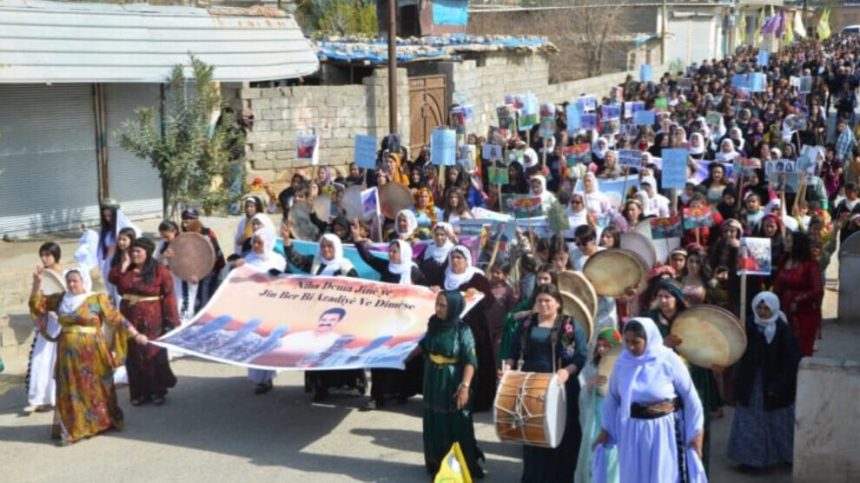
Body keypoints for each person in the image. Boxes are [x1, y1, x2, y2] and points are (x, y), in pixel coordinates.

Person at [595, 317, 706, 483]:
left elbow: (690, 398)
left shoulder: (668, 360)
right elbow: (612, 398)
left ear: (649, 339)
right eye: (627, 341)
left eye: (636, 342)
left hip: (663, 431)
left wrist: (696, 434)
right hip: (631, 431)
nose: (630, 347)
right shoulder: (623, 362)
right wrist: (606, 431)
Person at [29, 266, 127, 444]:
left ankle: (102, 421)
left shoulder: (97, 298)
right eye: (69, 281)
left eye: (75, 281)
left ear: (84, 281)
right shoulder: (61, 299)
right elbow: (37, 305)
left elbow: (117, 320)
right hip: (67, 353)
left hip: (94, 352)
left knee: (96, 386)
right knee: (71, 388)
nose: (72, 284)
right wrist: (37, 283)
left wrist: (131, 337)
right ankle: (74, 427)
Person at [503, 284, 588, 482]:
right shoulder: (526, 324)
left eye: (548, 301)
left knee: (560, 435)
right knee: (533, 435)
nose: (543, 304)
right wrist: (508, 367)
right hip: (531, 388)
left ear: (558, 303)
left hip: (561, 387)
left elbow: (581, 356)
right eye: (539, 300)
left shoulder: (569, 325)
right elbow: (512, 351)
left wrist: (567, 371)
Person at [282, 230, 367, 402]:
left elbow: (357, 293)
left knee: (340, 352)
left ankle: (350, 384)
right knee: (318, 352)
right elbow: (297, 260)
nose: (326, 250)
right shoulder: (316, 263)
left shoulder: (346, 267)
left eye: (329, 246)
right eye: (323, 246)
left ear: (337, 247)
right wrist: (286, 242)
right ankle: (321, 387)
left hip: (340, 320)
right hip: (318, 318)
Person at [352, 229, 427, 409]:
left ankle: (401, 393)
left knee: (403, 359)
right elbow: (369, 258)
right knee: (380, 358)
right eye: (390, 251)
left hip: (406, 323)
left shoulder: (414, 272)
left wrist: (432, 290)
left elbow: (425, 292)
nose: (391, 255)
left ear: (404, 253)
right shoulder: (386, 267)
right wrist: (358, 241)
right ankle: (377, 397)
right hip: (385, 322)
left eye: (395, 252)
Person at [727, 292, 800, 470]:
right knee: (750, 422)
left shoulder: (783, 332)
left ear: (774, 309)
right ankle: (750, 461)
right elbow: (737, 350)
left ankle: (785, 456)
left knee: (778, 422)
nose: (762, 312)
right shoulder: (748, 326)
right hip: (751, 384)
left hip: (774, 385)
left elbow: (791, 363)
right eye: (759, 307)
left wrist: (779, 386)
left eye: (766, 308)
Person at [418, 290, 484, 478]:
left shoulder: (463, 330)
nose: (438, 309)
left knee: (456, 423)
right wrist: (398, 357)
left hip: (452, 380)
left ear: (454, 307)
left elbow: (471, 360)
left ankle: (459, 466)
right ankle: (437, 463)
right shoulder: (433, 323)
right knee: (434, 420)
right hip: (433, 379)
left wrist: (464, 387)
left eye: (443, 305)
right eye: (437, 304)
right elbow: (424, 345)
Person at [109, 238, 179, 406]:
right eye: (132, 251)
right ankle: (138, 393)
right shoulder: (126, 269)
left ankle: (157, 391)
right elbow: (112, 279)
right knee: (133, 355)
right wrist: (124, 265)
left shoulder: (159, 270)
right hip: (128, 318)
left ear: (147, 252)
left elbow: (169, 295)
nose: (134, 254)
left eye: (138, 251)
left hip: (152, 318)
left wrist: (172, 320)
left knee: (152, 353)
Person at [228, 223, 288, 394]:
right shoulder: (248, 260)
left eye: (259, 242)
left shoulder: (278, 260)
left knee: (268, 343)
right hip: (252, 308)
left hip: (271, 309)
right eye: (253, 242)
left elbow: (283, 280)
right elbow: (234, 277)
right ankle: (258, 379)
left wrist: (275, 276)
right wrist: (236, 266)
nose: (255, 246)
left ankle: (267, 377)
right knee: (254, 342)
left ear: (268, 243)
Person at [439, 245, 496, 412]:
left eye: (459, 258)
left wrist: (479, 293)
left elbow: (489, 302)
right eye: (452, 258)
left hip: (473, 329)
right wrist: (434, 290)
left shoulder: (476, 278)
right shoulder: (443, 276)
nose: (455, 261)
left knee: (472, 362)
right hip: (448, 330)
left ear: (467, 260)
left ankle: (475, 401)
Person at [575, 327, 622, 483]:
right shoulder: (591, 367)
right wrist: (589, 385)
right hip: (596, 420)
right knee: (594, 458)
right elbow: (582, 396)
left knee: (613, 460)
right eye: (599, 345)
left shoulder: (624, 367)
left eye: (607, 346)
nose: (601, 349)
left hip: (615, 421)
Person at [25, 242, 63, 413]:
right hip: (48, 322)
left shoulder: (68, 273)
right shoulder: (42, 275)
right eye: (42, 255)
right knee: (41, 359)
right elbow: (34, 301)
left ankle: (57, 396)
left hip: (64, 320)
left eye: (48, 254)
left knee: (59, 360)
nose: (44, 258)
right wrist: (36, 282)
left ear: (56, 255)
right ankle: (38, 398)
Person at [772, 232, 823, 357]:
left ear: (797, 244)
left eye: (789, 241)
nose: (785, 243)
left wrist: (798, 300)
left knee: (801, 348)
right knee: (784, 346)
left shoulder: (811, 264)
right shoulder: (784, 260)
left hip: (804, 312)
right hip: (784, 309)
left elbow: (817, 290)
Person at [420, 222, 456, 287]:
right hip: (427, 285)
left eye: (442, 235)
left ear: (447, 235)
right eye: (437, 234)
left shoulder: (452, 250)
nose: (439, 237)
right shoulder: (429, 248)